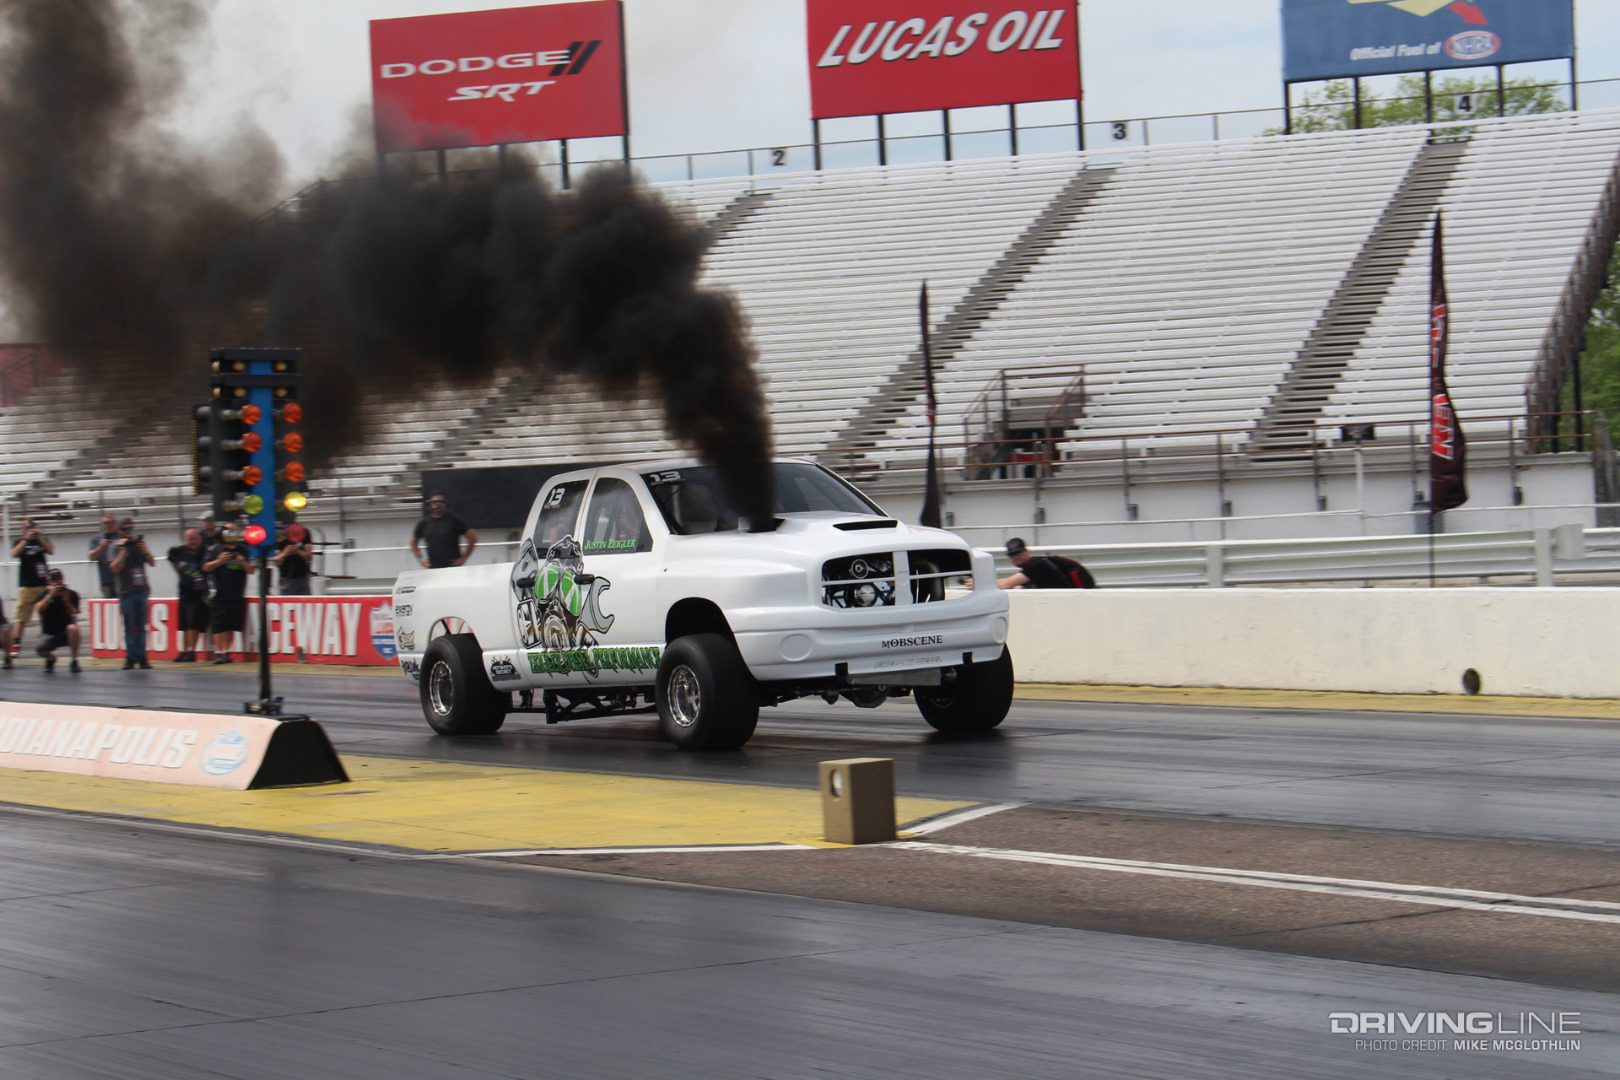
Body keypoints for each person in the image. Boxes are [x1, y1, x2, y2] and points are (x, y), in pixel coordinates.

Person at [108, 517, 154, 669]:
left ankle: (142, 657)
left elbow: (152, 562)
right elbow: (115, 568)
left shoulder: (138, 545)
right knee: (129, 627)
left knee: (141, 627)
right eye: (125, 529)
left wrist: (145, 549)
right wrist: (122, 550)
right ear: (119, 530)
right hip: (126, 592)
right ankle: (130, 657)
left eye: (130, 529)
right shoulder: (115, 546)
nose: (128, 532)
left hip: (141, 590)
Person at [204, 530, 250, 664]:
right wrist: (220, 561)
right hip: (219, 594)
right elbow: (206, 567)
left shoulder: (242, 549)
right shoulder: (215, 549)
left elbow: (251, 570)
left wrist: (242, 562)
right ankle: (217, 652)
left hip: (236, 593)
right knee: (219, 626)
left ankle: (226, 652)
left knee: (231, 626)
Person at [167, 528, 211, 662]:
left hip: (199, 593)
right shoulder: (180, 551)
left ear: (200, 538)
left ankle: (192, 651)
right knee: (184, 624)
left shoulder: (206, 552)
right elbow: (173, 561)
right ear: (185, 540)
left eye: (195, 538)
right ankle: (185, 650)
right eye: (189, 539)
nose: (193, 542)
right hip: (184, 592)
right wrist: (180, 573)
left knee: (193, 624)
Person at [11, 516, 54, 654]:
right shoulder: (19, 542)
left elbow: (50, 551)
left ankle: (46, 641)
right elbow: (14, 553)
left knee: (45, 615)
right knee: (21, 616)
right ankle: (16, 644)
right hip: (26, 585)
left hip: (42, 584)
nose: (31, 530)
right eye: (28, 527)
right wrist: (26, 539)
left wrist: (39, 535)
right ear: (23, 529)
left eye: (33, 526)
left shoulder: (42, 540)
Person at [997, 537, 1097, 590]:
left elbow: (1006, 584)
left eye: (1019, 553)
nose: (1016, 558)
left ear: (1027, 551)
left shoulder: (1035, 566)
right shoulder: (1039, 562)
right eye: (1011, 555)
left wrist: (982, 586)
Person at [411, 491, 477, 569]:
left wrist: (464, 558)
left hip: (453, 567)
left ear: (445, 503)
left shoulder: (455, 520)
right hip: (433, 567)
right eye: (434, 502)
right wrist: (421, 560)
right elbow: (413, 542)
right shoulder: (424, 523)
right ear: (430, 504)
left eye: (441, 502)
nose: (438, 504)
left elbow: (473, 538)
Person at [34, 568, 81, 674]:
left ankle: (74, 660)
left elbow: (74, 613)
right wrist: (50, 596)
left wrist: (66, 601)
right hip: (50, 632)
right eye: (54, 580)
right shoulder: (43, 595)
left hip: (66, 632)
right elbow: (39, 609)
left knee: (73, 628)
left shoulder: (71, 594)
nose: (57, 582)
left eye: (59, 579)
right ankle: (50, 658)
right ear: (49, 581)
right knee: (40, 649)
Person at [272, 523, 314, 595]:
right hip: (286, 577)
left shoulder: (303, 532)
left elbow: (309, 556)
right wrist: (285, 553)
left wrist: (298, 552)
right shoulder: (277, 533)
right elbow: (277, 561)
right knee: (287, 602)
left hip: (303, 576)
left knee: (304, 601)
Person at [88, 513, 121, 598]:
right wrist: (101, 547)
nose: (109, 525)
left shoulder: (122, 536)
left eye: (112, 522)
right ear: (102, 524)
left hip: (123, 579)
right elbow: (91, 557)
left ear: (116, 523)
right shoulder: (96, 539)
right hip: (107, 581)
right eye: (106, 523)